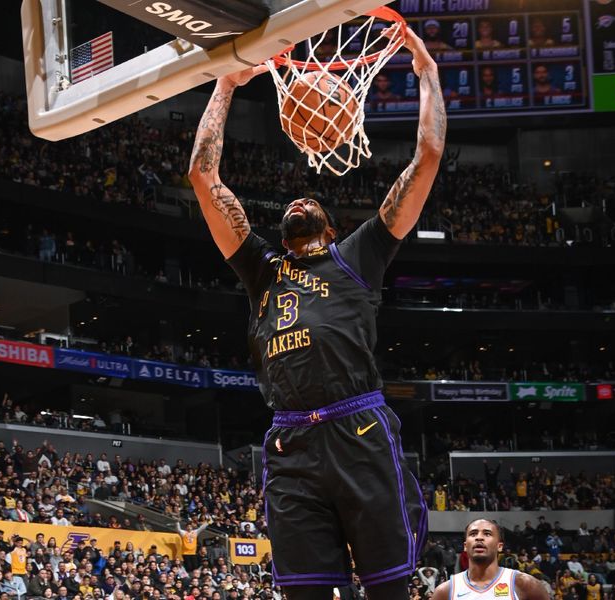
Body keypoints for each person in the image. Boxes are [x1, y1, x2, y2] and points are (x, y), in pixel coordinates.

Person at [188, 23, 444, 600]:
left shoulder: (358, 256)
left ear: (329, 229)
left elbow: (427, 156)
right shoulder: (261, 270)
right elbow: (203, 178)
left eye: (311, 202)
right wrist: (227, 85)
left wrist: (427, 72)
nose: (297, 201)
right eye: (291, 203)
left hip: (357, 428)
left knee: (388, 590)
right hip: (290, 444)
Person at [430, 519, 549, 600]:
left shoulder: (524, 584)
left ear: (500, 546)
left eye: (487, 534)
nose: (479, 538)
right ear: (465, 546)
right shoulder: (445, 591)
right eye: (473, 534)